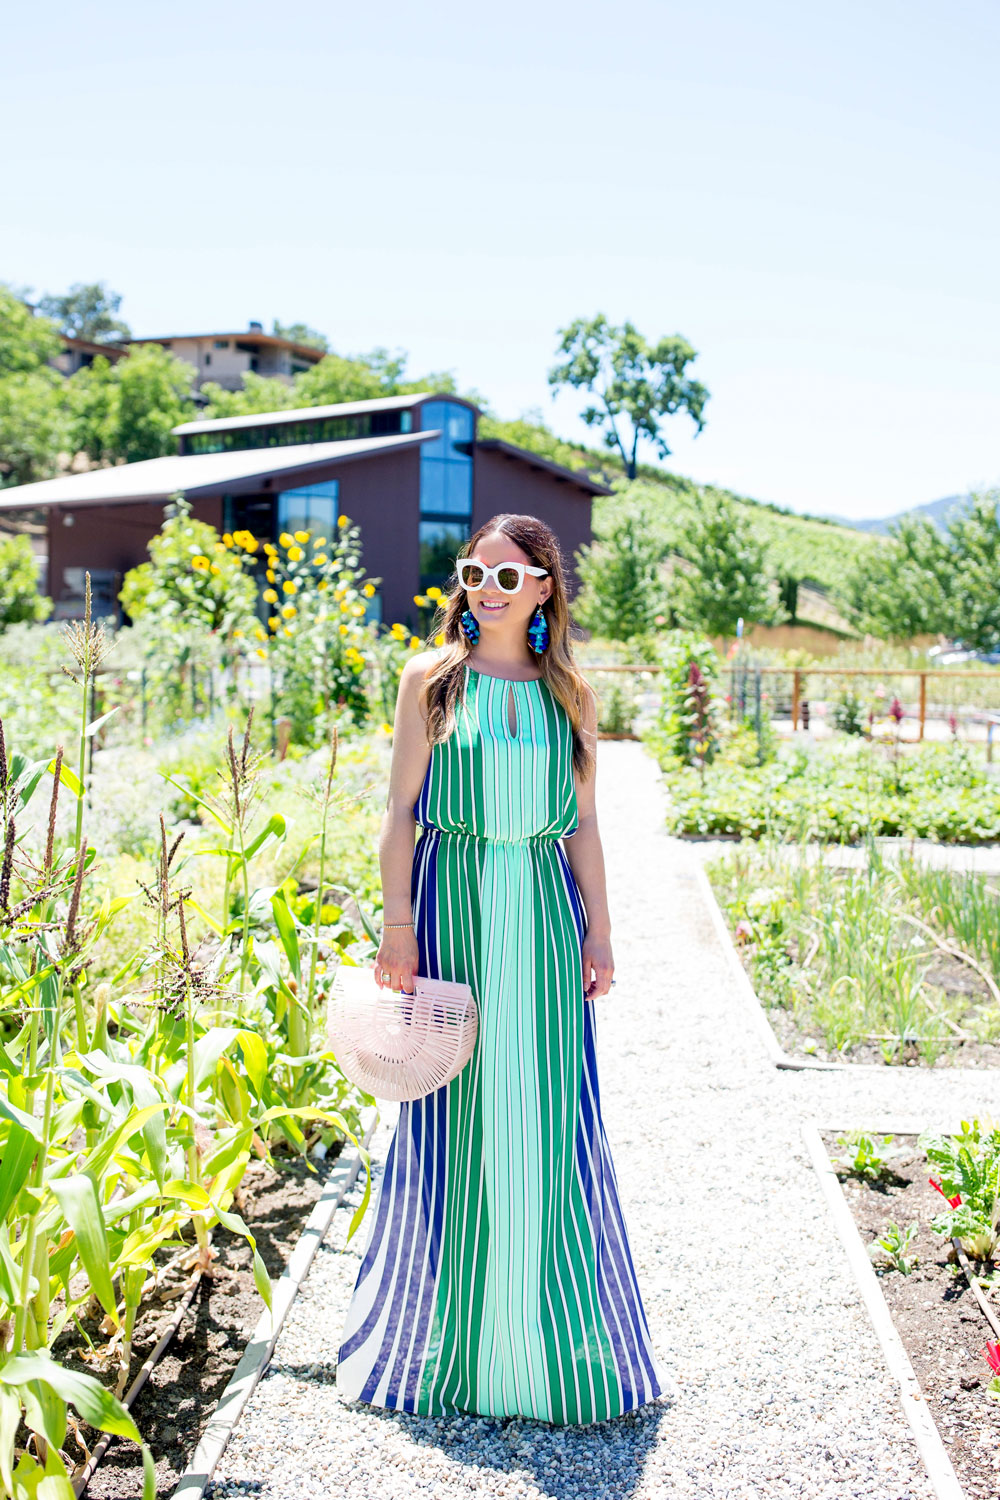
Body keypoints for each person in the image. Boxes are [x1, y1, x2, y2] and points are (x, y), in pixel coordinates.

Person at [335, 512, 670, 1423]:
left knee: (553, 1120)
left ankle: (558, 1349)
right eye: (473, 574)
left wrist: (600, 931)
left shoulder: (571, 694)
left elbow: (586, 824)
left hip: (549, 930)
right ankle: (446, 1356)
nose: (486, 590)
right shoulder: (431, 681)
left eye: (508, 577)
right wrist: (397, 926)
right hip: (452, 919)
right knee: (452, 1121)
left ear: (543, 590)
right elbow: (400, 810)